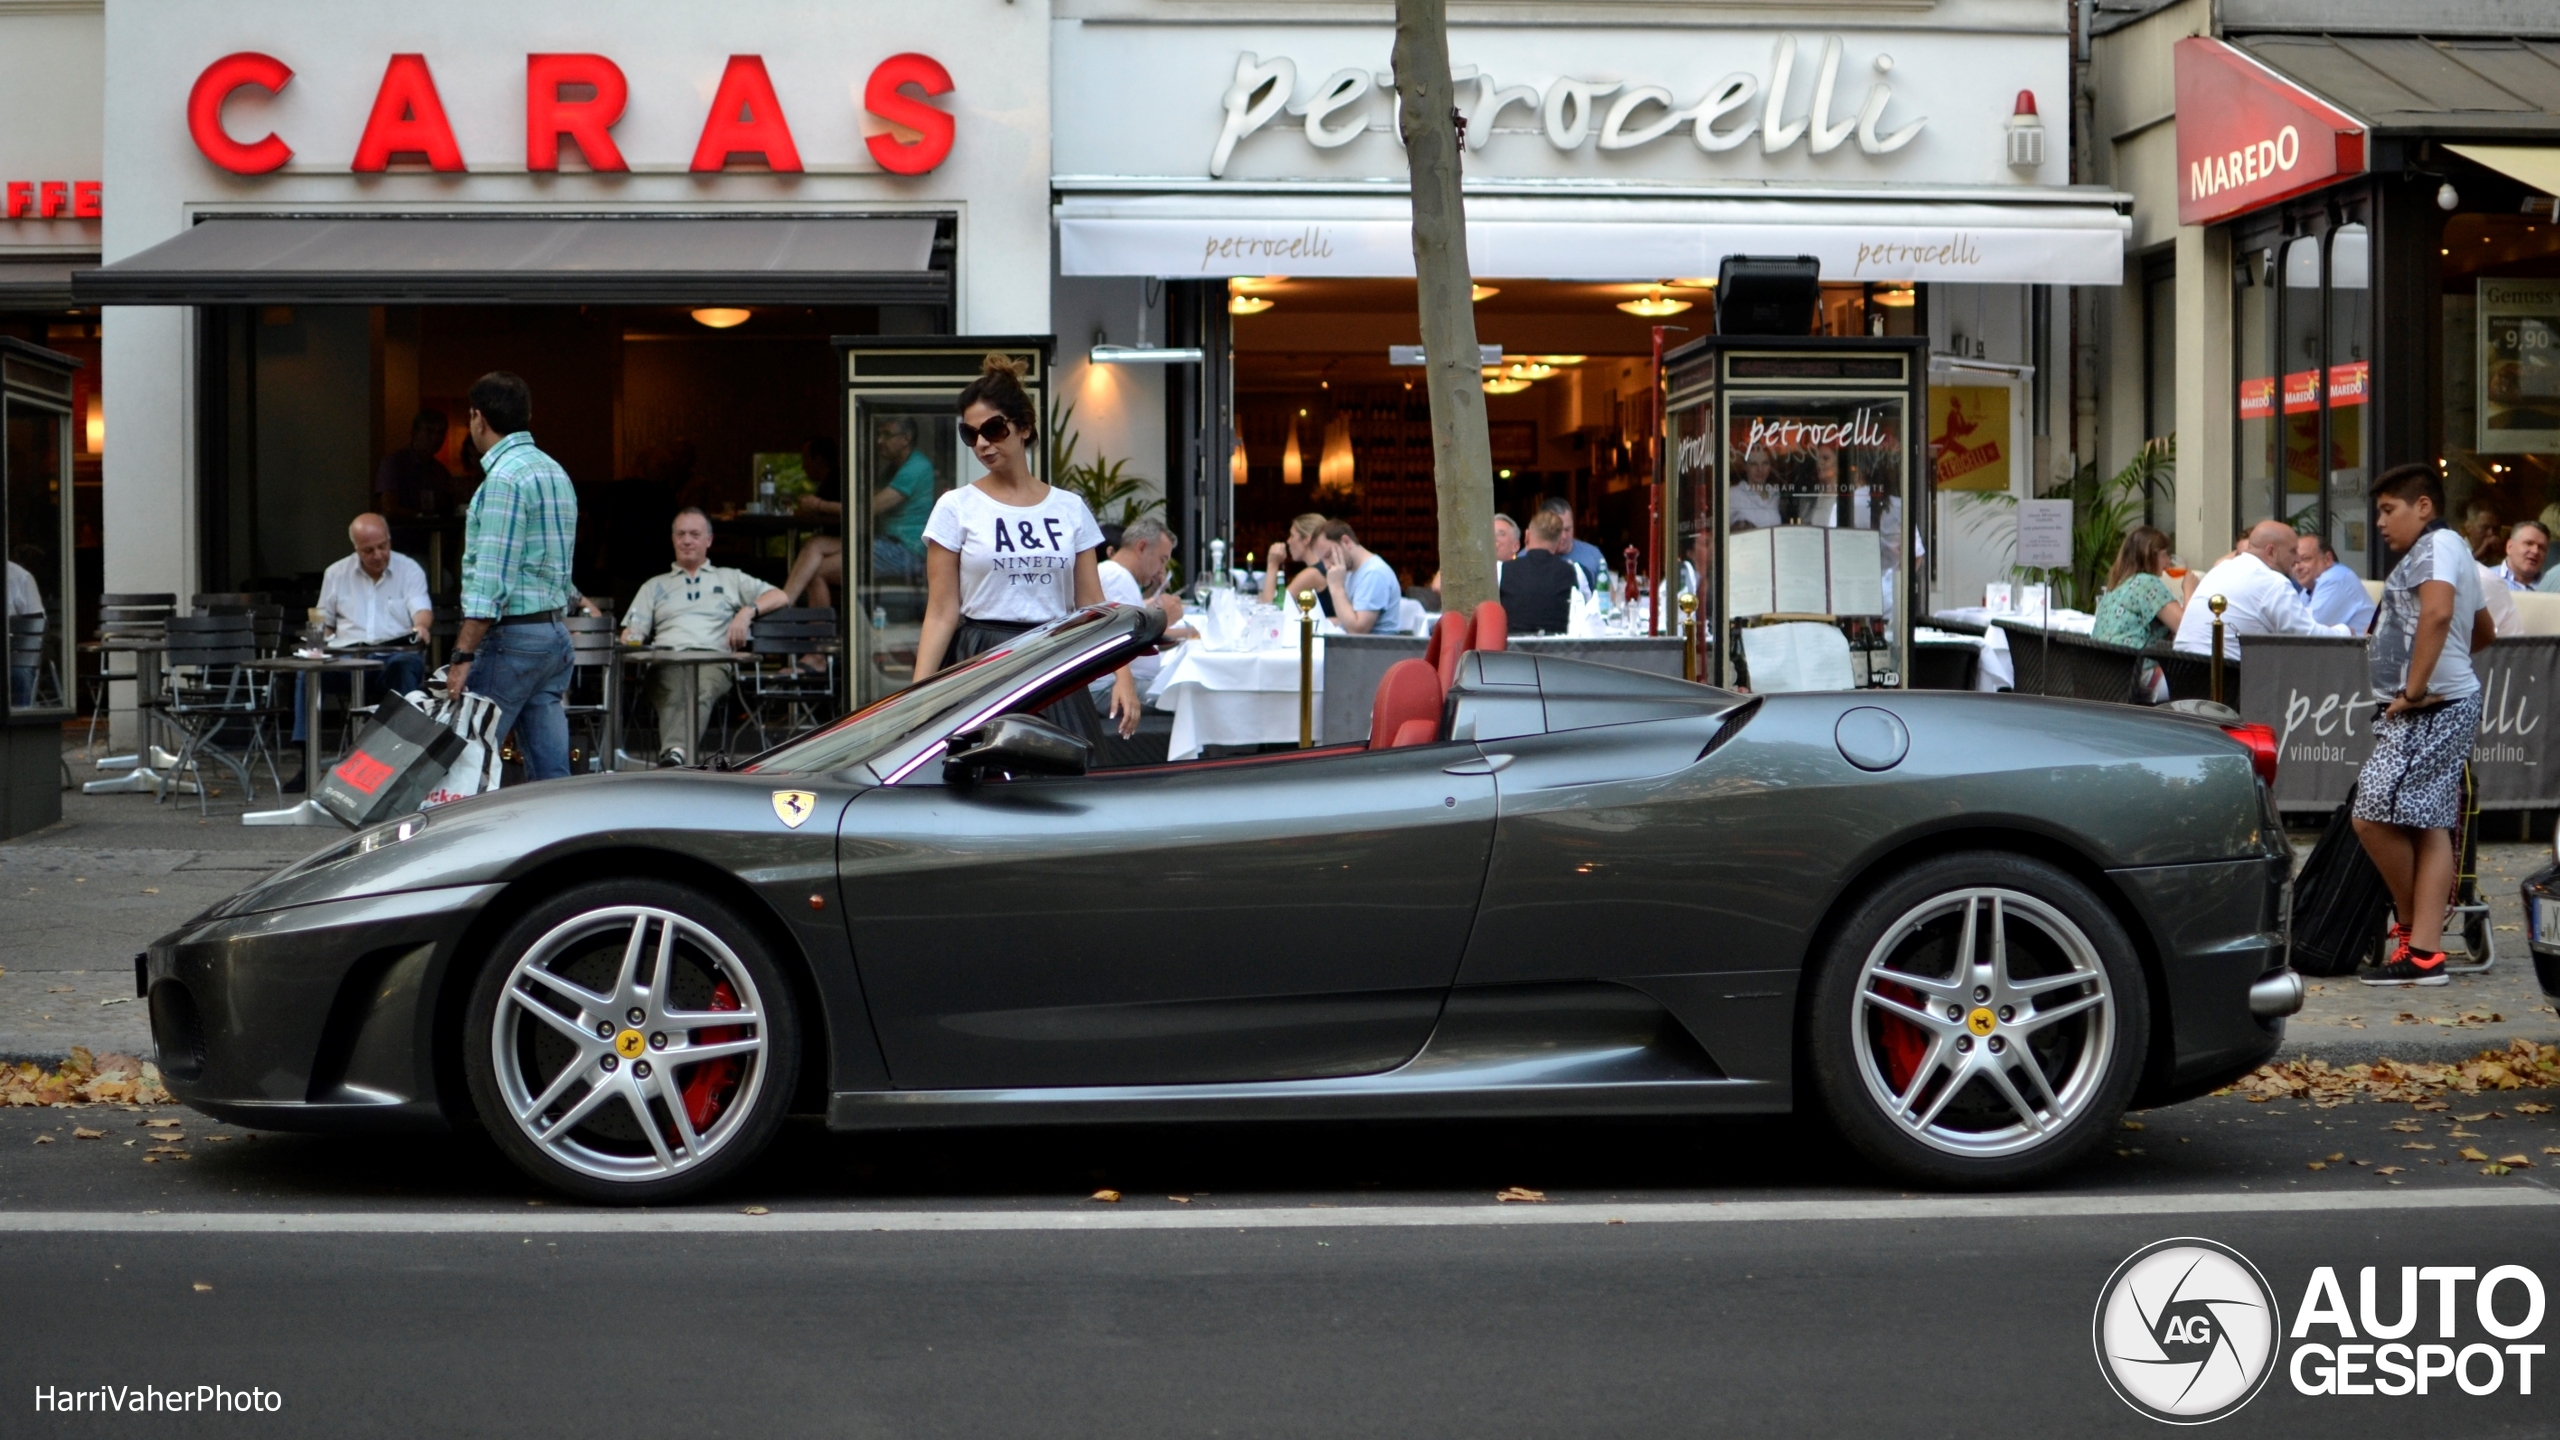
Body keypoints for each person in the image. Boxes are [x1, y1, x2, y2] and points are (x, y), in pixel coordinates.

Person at [914, 353, 1137, 739]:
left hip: (1052, 655)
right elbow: (941, 612)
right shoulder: (956, 507)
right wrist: (917, 699)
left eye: (994, 429)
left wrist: (1124, 675)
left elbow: (1094, 605)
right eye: (970, 435)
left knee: (1060, 778)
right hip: (981, 656)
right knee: (979, 777)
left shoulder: (1069, 508)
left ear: (1025, 429)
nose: (982, 444)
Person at [2352, 463, 2499, 987]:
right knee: (2427, 821)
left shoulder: (2437, 548)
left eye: (2389, 510)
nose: (2381, 523)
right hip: (2442, 701)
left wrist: (2412, 691)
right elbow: (2482, 629)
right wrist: (2445, 665)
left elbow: (2437, 615)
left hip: (2429, 707)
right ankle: (2423, 947)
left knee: (2370, 815)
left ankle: (2420, 939)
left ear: (2424, 506)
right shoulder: (2452, 549)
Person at [446, 371, 579, 783]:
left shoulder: (504, 479)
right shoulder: (555, 472)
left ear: (477, 418)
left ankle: (463, 847)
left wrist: (462, 655)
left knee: (465, 762)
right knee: (551, 772)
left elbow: (491, 579)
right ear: (528, 416)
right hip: (553, 635)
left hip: (513, 640)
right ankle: (566, 843)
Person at [621, 509, 790, 765]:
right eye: (681, 534)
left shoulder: (730, 577)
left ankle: (674, 755)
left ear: (708, 540)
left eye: (694, 534)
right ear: (673, 540)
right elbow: (633, 633)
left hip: (713, 660)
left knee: (701, 689)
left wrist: (746, 612)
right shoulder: (654, 585)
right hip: (668, 660)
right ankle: (678, 756)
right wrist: (631, 635)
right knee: (673, 690)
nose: (687, 540)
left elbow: (780, 596)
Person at [292, 514, 434, 758]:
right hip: (348, 661)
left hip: (392, 659)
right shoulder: (336, 573)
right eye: (368, 550)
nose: (377, 555)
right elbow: (324, 622)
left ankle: (404, 754)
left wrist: (420, 627)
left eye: (383, 546)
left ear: (390, 540)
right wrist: (315, 645)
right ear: (356, 548)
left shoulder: (409, 569)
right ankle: (307, 758)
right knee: (308, 674)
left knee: (405, 666)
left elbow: (421, 610)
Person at [2171, 520, 2350, 661]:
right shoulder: (2272, 582)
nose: (2296, 559)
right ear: (2271, 552)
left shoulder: (2220, 570)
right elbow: (2309, 640)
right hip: (2232, 686)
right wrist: (2346, 631)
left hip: (2186, 680)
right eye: (2292, 551)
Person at [2091, 526, 2186, 703]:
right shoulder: (2147, 582)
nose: (2167, 561)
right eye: (2164, 554)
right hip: (2136, 678)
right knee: (2201, 684)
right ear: (2149, 555)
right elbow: (2187, 627)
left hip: (2104, 678)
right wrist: (2189, 589)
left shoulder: (2118, 586)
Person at [1095, 517, 1189, 691]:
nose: (1162, 570)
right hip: (1114, 686)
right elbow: (1124, 641)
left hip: (1128, 681)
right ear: (1142, 547)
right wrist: (1164, 619)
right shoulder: (1117, 577)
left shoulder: (1120, 576)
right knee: (1188, 694)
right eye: (1162, 559)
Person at [776, 438, 853, 609]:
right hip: (836, 544)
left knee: (812, 563)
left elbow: (855, 511)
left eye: (805, 459)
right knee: (812, 554)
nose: (803, 466)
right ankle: (790, 609)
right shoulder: (831, 481)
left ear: (818, 460)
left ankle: (783, 605)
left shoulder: (836, 481)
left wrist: (817, 505)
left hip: (856, 542)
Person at [1313, 521, 1404, 635]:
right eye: (1322, 560)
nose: (1327, 566)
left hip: (1375, 650)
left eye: (1328, 555)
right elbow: (1347, 621)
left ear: (1346, 542)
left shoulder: (1373, 573)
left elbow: (1357, 630)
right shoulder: (1350, 572)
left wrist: (1336, 588)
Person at [1500, 509, 1579, 636]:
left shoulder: (1503, 570)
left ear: (1527, 536)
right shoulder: (1573, 571)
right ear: (1559, 543)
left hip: (1514, 651)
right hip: (1558, 652)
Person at [373, 409, 451, 520]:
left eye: (441, 432)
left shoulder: (440, 471)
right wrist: (420, 517)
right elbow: (389, 508)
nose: (435, 438)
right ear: (414, 433)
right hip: (399, 534)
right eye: (429, 431)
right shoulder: (394, 463)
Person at [2294, 532, 2376, 630]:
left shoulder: (2334, 579)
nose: (2298, 567)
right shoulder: (2308, 589)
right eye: (2294, 562)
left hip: (2363, 644)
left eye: (2306, 559)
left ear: (2328, 559)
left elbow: (2305, 628)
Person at [1258, 512, 1328, 607]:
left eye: (1292, 535)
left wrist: (1272, 565)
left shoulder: (1312, 574)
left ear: (1307, 539)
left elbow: (1271, 608)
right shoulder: (1324, 566)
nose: (1288, 541)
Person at [1538, 496, 1607, 586]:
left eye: (1567, 529)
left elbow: (1609, 595)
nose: (1563, 536)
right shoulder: (1525, 560)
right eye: (1557, 530)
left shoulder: (1593, 555)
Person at [5, 552, 42, 708]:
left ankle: (22, 725)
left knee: (21, 673)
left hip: (15, 652)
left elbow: (35, 626)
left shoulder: (20, 577)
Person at [2492, 519, 2548, 590]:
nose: (2535, 551)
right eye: (2529, 543)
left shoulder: (2553, 586)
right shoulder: (2485, 578)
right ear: (2510, 547)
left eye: (2541, 547)